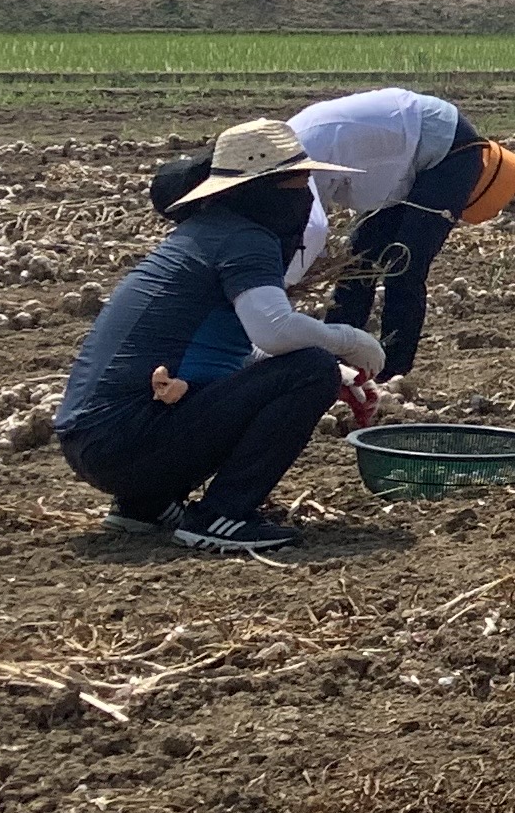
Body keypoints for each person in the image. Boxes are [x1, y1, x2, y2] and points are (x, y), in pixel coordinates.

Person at [57, 122, 384, 556]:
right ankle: (221, 515)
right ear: (262, 189)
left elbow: (221, 348)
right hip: (126, 442)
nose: (306, 193)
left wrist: (327, 367)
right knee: (311, 370)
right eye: (298, 180)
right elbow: (275, 328)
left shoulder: (206, 233)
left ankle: (145, 505)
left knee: (310, 366)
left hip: (96, 442)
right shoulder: (245, 238)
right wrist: (347, 339)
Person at [284, 88, 515, 383]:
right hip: (406, 147)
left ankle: (393, 371)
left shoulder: (296, 160)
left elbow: (310, 231)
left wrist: (280, 288)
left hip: (448, 149)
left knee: (404, 263)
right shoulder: (291, 151)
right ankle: (337, 361)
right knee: (359, 262)